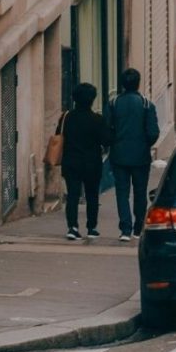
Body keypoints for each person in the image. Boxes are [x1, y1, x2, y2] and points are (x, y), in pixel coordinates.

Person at [108, 68, 160, 242]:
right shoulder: (146, 104)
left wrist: (113, 143)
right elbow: (153, 132)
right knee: (140, 192)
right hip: (140, 156)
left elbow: (107, 130)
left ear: (122, 84)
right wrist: (145, 144)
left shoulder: (113, 103)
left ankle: (125, 229)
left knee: (122, 192)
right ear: (138, 83)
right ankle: (138, 228)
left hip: (119, 155)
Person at [61, 83, 110, 240]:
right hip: (92, 163)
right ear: (92, 100)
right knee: (92, 196)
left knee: (73, 195)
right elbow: (107, 140)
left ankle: (72, 227)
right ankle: (91, 227)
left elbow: (59, 136)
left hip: (71, 161)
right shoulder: (97, 119)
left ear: (74, 99)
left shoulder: (66, 117)